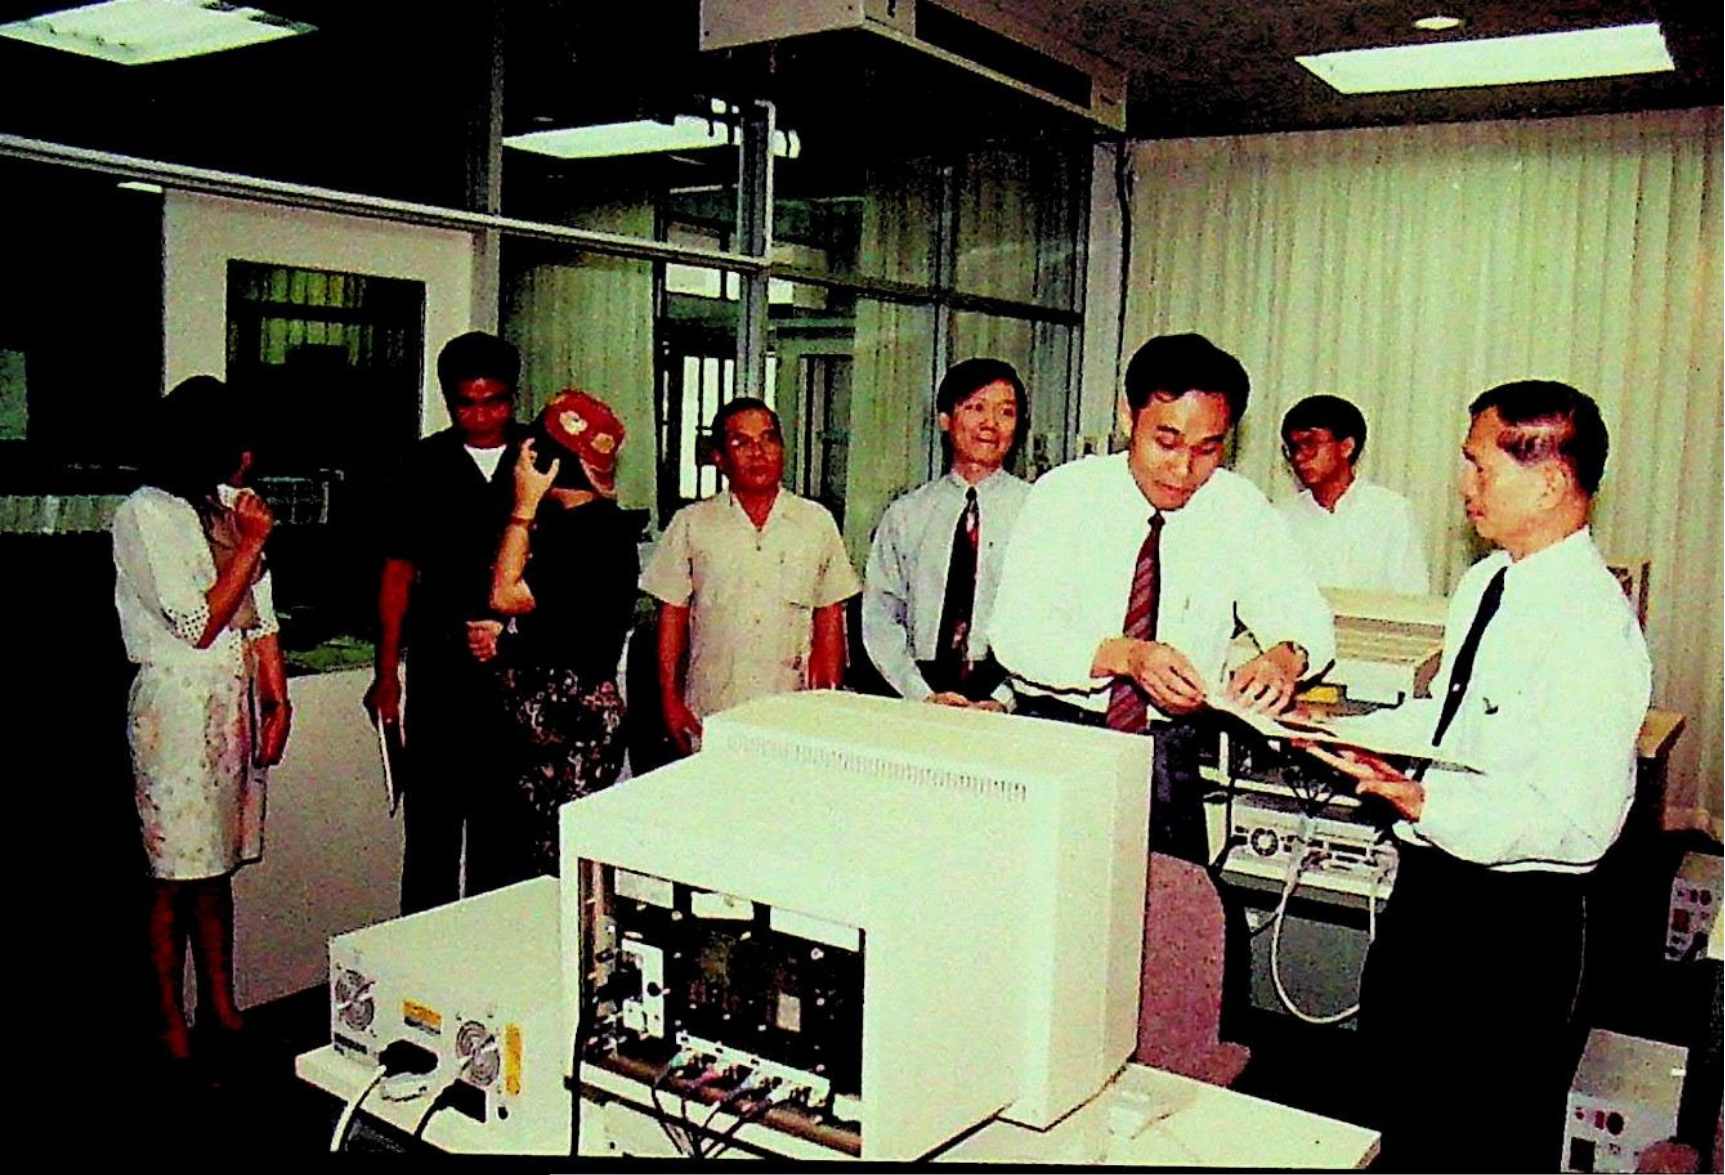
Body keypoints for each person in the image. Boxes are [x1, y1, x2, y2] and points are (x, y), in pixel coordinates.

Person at [1304, 381, 1651, 1172]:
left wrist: (1427, 801)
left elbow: (1580, 823)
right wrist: (1337, 730)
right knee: (1395, 1099)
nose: (1464, 484)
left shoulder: (1593, 625)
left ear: (1549, 481)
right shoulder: (1488, 581)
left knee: (1478, 1130)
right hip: (1430, 892)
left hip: (1510, 924)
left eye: (1479, 466)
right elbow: (1450, 717)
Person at [991, 332, 1335, 862]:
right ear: (1129, 417)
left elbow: (1305, 617)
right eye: (1167, 442)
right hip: (1058, 741)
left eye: (1207, 449)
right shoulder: (1065, 495)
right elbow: (1015, 633)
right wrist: (1126, 657)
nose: (1183, 469)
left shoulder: (1238, 508)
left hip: (1167, 758)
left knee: (1173, 905)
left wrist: (1285, 658)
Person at [112, 375, 292, 1063]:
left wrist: (277, 699)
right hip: (177, 708)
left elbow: (259, 613)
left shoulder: (221, 504)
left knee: (214, 869)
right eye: (233, 445)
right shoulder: (146, 512)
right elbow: (195, 624)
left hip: (227, 704)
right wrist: (248, 546)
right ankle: (167, 1015)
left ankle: (221, 1002)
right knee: (172, 875)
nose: (245, 459)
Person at [365, 331, 523, 912]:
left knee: (503, 842)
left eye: (494, 401)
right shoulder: (421, 464)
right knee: (431, 837)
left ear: (512, 397)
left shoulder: (539, 458)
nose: (481, 416)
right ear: (449, 401)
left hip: (517, 672)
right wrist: (387, 673)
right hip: (440, 671)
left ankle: (491, 957)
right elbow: (396, 573)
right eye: (467, 404)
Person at [640, 397, 860, 755]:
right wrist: (669, 699)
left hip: (792, 707)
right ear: (720, 457)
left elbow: (830, 615)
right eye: (741, 442)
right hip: (714, 708)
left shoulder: (815, 522)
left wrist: (828, 699)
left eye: (768, 439)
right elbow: (672, 617)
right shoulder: (692, 524)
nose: (758, 453)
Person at [486, 390, 639, 880]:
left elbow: (505, 595)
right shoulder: (585, 527)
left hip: (568, 723)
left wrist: (524, 505)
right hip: (563, 717)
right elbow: (558, 620)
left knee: (556, 870)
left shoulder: (587, 533)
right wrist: (506, 641)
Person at [861, 358, 1031, 710]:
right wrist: (920, 694)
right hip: (920, 690)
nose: (990, 423)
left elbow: (1051, 618)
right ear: (945, 420)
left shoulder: (1039, 512)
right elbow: (880, 616)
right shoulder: (906, 515)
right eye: (976, 408)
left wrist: (1005, 699)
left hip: (1011, 690)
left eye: (1006, 412)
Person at [1277, 394, 1430, 595]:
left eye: (1310, 444)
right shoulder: (1280, 517)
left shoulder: (1391, 513)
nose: (1298, 457)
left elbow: (1412, 597)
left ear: (1346, 446)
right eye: (1293, 448)